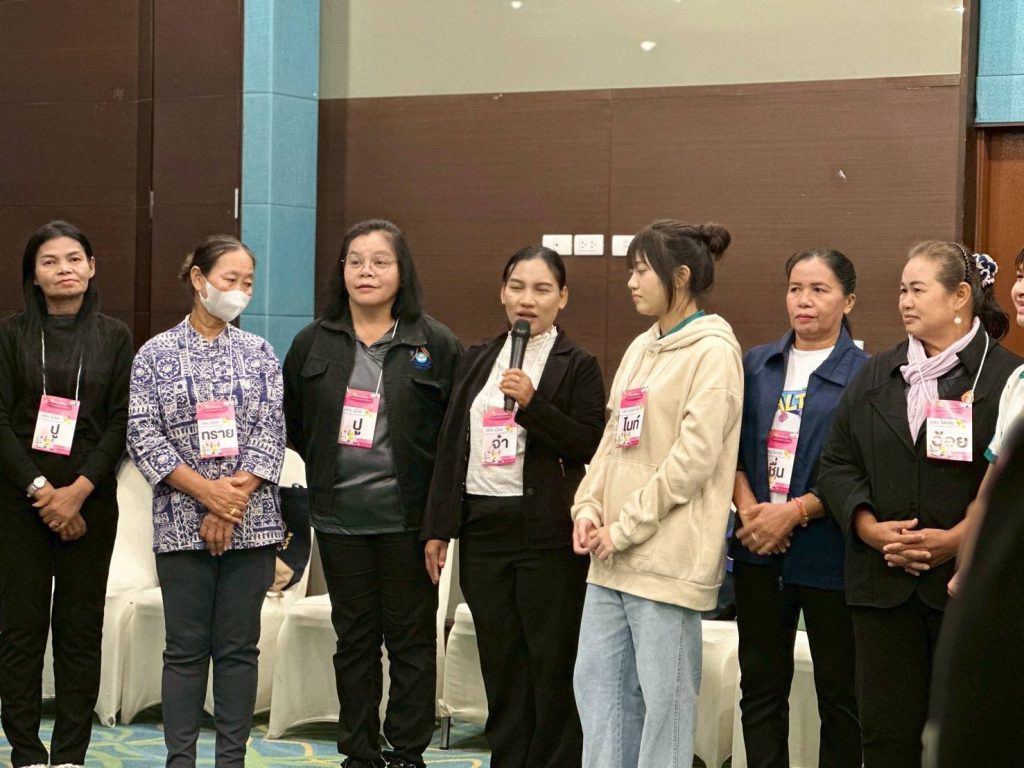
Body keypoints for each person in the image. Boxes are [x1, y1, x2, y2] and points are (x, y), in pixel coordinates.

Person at [817, 240, 1022, 768]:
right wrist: (868, 526)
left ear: (960, 297)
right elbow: (836, 464)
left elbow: (1013, 490)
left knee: (969, 741)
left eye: (917, 290)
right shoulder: (876, 373)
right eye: (901, 290)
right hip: (881, 587)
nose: (904, 301)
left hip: (966, 591)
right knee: (885, 737)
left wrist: (956, 541)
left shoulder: (1005, 377)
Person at [282, 219, 461, 768]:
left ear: (402, 271)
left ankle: (407, 752)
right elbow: (295, 423)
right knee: (354, 642)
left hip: (410, 523)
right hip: (340, 521)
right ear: (342, 271)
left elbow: (455, 438)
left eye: (381, 261)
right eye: (355, 261)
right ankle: (358, 752)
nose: (367, 271)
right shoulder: (313, 341)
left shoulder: (434, 342)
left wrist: (440, 523)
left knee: (411, 642)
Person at [421, 246, 605, 768]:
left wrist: (533, 404)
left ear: (562, 297)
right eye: (518, 287)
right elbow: (451, 444)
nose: (528, 299)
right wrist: (438, 527)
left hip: (547, 535)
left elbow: (588, 444)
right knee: (500, 660)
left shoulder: (578, 364)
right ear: (502, 293)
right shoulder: (477, 358)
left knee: (551, 661)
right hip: (483, 530)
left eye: (542, 289)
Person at [571, 219, 743, 768]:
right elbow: (611, 440)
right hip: (610, 558)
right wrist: (587, 506)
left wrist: (624, 528)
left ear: (681, 276)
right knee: (597, 691)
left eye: (642, 270)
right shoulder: (642, 346)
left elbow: (692, 462)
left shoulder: (714, 351)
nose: (631, 282)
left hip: (665, 560)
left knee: (664, 706)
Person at [127, 235, 285, 768]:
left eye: (248, 283)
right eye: (229, 280)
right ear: (199, 279)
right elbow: (143, 435)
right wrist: (207, 494)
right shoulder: (154, 355)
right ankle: (181, 760)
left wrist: (230, 501)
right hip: (180, 522)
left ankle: (231, 761)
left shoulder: (260, 353)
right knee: (185, 650)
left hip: (252, 523)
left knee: (239, 650)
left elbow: (272, 432)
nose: (239, 291)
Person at [0, 221, 132, 768]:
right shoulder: (9, 335)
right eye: (50, 261)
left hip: (90, 499)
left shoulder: (115, 336)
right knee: (20, 630)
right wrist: (41, 490)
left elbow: (121, 421)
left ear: (92, 267)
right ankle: (27, 752)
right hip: (18, 500)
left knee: (80, 631)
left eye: (74, 259)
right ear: (33, 275)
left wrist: (77, 491)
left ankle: (71, 754)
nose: (64, 270)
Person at [731, 249, 866, 768]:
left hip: (827, 552)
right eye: (795, 288)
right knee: (760, 688)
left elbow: (863, 468)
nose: (804, 300)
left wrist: (794, 512)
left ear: (848, 301)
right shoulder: (757, 364)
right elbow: (729, 449)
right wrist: (751, 511)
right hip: (757, 548)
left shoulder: (867, 374)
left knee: (840, 696)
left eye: (819, 289)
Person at [949, 245, 1024, 594]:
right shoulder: (1018, 380)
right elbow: (993, 483)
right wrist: (968, 565)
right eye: (1020, 277)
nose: (1020, 289)